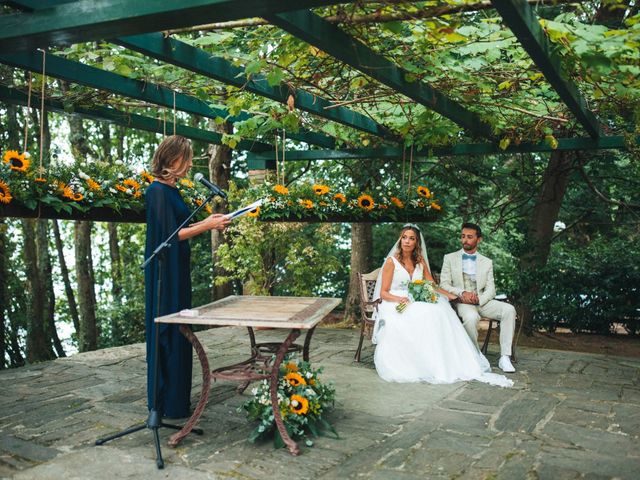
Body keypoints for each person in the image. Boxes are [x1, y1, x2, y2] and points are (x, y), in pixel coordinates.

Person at [144, 135, 231, 418]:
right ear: (172, 160)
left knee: (181, 331)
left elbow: (180, 227)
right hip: (164, 272)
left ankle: (177, 403)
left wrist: (208, 222)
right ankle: (163, 403)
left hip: (178, 268)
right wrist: (207, 225)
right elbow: (171, 236)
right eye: (187, 158)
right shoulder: (157, 191)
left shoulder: (173, 190)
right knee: (168, 331)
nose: (191, 163)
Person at [373, 224, 513, 387]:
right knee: (419, 315)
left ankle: (444, 360)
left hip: (418, 298)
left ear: (417, 242)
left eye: (411, 238)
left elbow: (432, 285)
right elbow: (383, 292)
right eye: (404, 237)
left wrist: (450, 296)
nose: (407, 241)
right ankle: (418, 361)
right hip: (394, 300)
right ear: (400, 239)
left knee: (438, 311)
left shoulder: (420, 261)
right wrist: (399, 299)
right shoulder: (392, 262)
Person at [440, 223, 517, 373]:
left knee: (509, 310)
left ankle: (505, 357)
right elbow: (444, 284)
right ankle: (474, 354)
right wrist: (462, 293)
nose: (465, 240)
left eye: (469, 237)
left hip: (481, 300)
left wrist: (479, 299)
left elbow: (491, 289)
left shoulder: (487, 262)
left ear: (479, 239)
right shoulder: (449, 258)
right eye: (463, 236)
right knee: (471, 317)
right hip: (462, 301)